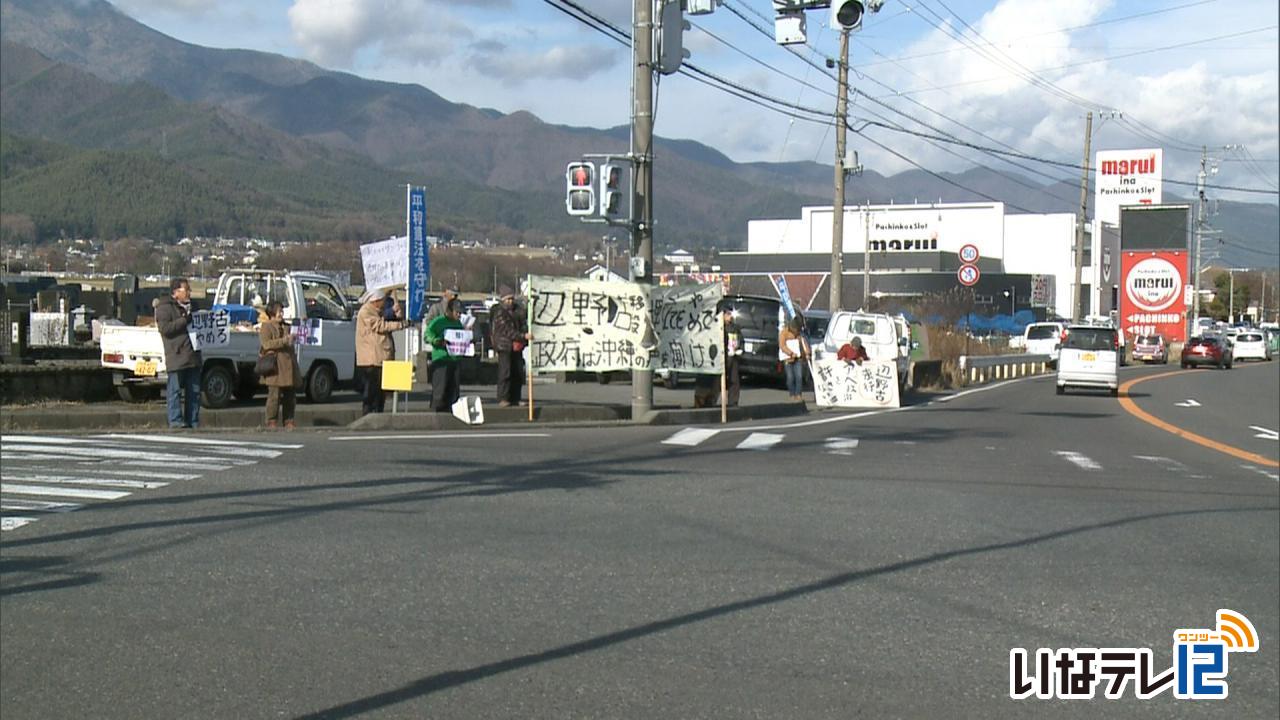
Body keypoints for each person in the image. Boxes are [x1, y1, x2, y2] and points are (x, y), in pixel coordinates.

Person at [154, 277, 202, 429]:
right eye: (186, 289)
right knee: (174, 390)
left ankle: (192, 420)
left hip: (193, 355)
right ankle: (175, 420)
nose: (189, 292)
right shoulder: (165, 308)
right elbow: (165, 329)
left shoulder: (194, 306)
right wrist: (184, 320)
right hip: (176, 354)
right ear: (175, 292)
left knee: (194, 391)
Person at [355, 290, 409, 414]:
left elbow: (387, 317)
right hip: (372, 359)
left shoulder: (377, 312)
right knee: (371, 391)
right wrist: (400, 325)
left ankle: (378, 412)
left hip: (380, 357)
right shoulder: (366, 311)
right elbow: (380, 325)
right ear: (375, 301)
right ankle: (368, 414)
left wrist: (397, 314)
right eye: (383, 301)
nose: (384, 304)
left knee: (380, 391)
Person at [257, 301, 298, 429]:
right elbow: (266, 344)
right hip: (275, 365)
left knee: (290, 396)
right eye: (279, 311)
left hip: (288, 365)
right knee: (274, 396)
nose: (282, 314)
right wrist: (284, 341)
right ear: (272, 313)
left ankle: (289, 420)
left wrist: (303, 324)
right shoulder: (266, 327)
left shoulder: (287, 326)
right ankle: (271, 421)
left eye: (282, 311)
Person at [489, 288, 530, 407]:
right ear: (503, 300)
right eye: (508, 299)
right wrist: (522, 336)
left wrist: (522, 337)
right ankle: (503, 398)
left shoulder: (518, 311)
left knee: (517, 373)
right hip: (504, 345)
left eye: (512, 299)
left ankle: (516, 398)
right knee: (505, 373)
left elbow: (523, 325)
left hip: (517, 346)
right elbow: (507, 330)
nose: (510, 301)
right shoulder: (499, 312)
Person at [424, 298, 465, 412]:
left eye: (460, 313)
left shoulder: (459, 323)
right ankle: (436, 410)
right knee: (440, 388)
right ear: (450, 311)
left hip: (455, 359)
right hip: (441, 358)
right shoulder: (439, 321)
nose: (459, 315)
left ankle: (451, 410)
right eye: (457, 312)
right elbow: (427, 335)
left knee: (454, 388)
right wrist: (437, 341)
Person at [778, 314, 810, 402]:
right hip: (788, 358)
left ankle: (798, 394)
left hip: (798, 358)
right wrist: (791, 353)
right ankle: (792, 394)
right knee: (790, 377)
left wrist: (807, 353)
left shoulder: (800, 334)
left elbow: (804, 344)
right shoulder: (784, 333)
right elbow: (782, 345)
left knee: (799, 376)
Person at [723, 306, 743, 406]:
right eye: (727, 314)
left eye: (731, 314)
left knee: (734, 379)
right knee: (718, 381)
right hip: (723, 356)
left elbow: (741, 339)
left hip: (734, 355)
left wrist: (740, 349)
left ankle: (733, 402)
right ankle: (711, 400)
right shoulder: (720, 328)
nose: (730, 317)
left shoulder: (735, 327)